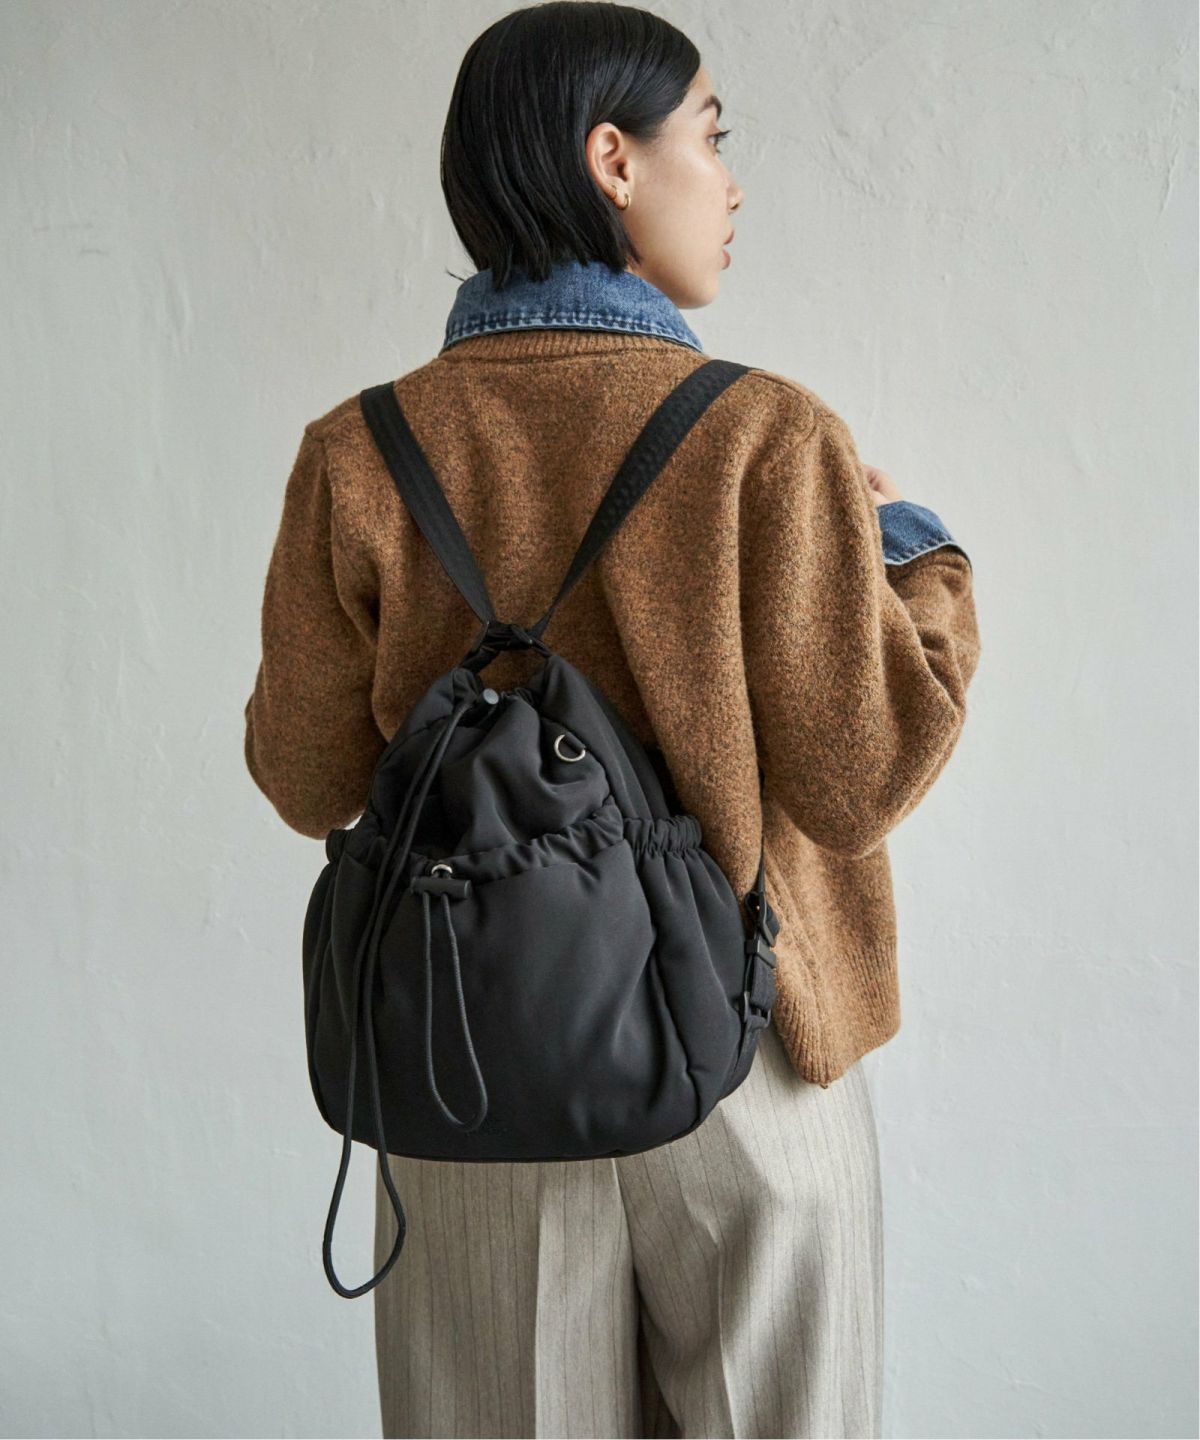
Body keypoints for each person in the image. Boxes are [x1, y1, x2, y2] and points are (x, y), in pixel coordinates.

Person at [243, 4, 982, 1435]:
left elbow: (304, 774)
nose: (733, 181)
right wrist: (918, 561)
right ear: (613, 160)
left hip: (470, 1065)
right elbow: (862, 776)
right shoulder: (767, 433)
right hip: (747, 1057)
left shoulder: (357, 453)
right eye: (712, 135)